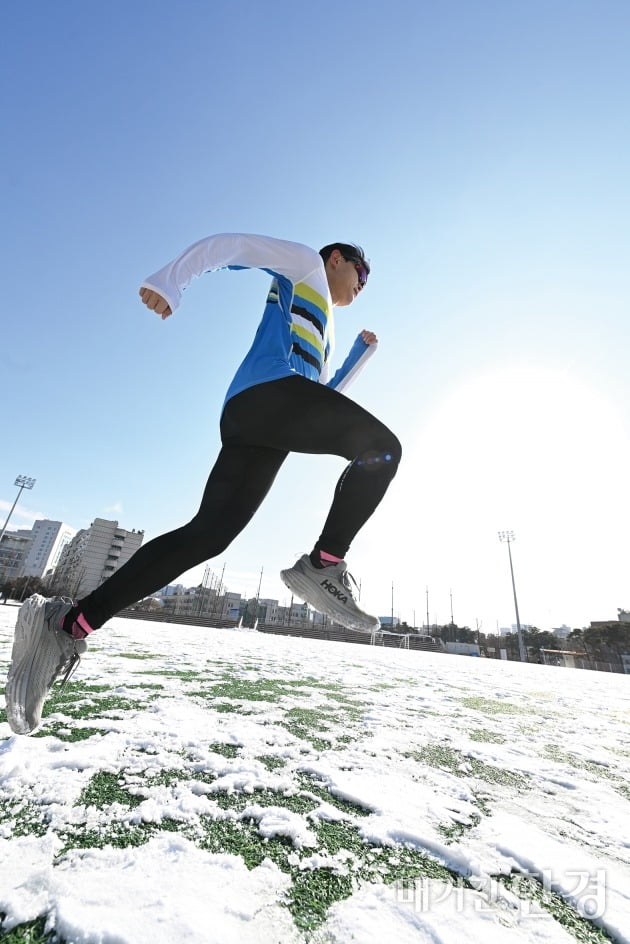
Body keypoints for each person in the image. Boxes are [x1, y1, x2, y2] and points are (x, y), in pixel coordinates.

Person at [5, 233, 401, 735]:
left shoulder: (323, 329)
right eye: (361, 275)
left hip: (263, 422)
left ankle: (65, 626)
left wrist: (357, 358)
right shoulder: (305, 266)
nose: (362, 287)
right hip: (266, 397)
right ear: (337, 259)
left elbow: (324, 397)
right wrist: (171, 280)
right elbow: (231, 246)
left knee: (208, 536)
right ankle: (324, 565)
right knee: (383, 451)